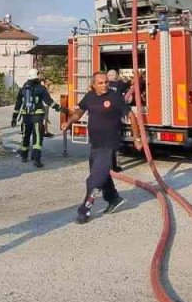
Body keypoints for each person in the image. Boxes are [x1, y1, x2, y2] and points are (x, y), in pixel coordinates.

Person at [61, 71, 144, 225]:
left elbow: (132, 116)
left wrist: (136, 138)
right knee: (101, 174)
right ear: (93, 85)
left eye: (106, 82)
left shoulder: (115, 98)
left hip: (109, 144)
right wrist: (69, 122)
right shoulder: (89, 97)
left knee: (94, 180)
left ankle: (84, 210)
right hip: (95, 144)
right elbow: (79, 112)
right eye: (100, 83)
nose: (105, 85)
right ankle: (113, 199)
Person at [11, 69, 62, 168]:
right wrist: (59, 108)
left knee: (25, 136)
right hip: (37, 116)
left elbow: (18, 104)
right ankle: (37, 160)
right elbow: (49, 101)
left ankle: (24, 156)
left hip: (26, 117)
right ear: (36, 75)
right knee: (37, 138)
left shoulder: (23, 88)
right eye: (39, 74)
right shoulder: (41, 88)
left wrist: (14, 118)